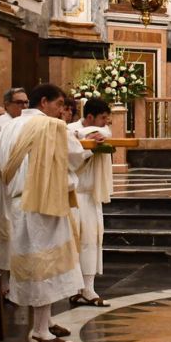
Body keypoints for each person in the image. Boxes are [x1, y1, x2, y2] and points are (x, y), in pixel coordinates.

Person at [0, 84, 87, 342]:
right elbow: (76, 157)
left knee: (34, 265)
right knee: (45, 266)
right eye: (59, 105)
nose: (62, 111)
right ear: (44, 102)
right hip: (43, 203)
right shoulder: (51, 127)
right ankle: (39, 331)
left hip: (16, 202)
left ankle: (44, 322)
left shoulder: (8, 127)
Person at [68, 97, 112, 307]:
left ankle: (88, 287)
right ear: (90, 117)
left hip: (91, 195)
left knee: (92, 240)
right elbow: (70, 159)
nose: (106, 123)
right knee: (78, 242)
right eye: (103, 118)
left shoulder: (99, 132)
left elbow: (105, 134)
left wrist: (85, 137)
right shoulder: (70, 130)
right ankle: (77, 288)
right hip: (75, 195)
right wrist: (85, 143)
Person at [0, 87, 28, 294]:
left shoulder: (24, 123)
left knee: (17, 230)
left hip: (19, 184)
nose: (24, 106)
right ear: (8, 104)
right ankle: (4, 282)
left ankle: (18, 280)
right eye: (19, 102)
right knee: (3, 231)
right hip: (3, 184)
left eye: (26, 102)